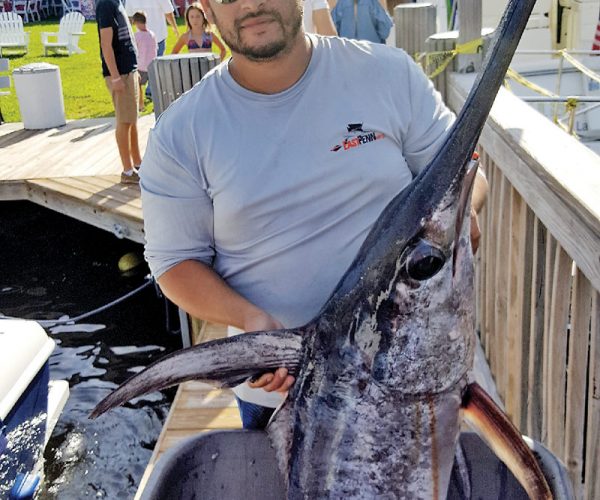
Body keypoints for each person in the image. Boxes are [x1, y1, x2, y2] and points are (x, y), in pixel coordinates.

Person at [139, 0, 488, 428]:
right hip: (285, 393)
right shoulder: (180, 132)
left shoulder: (388, 73)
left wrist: (462, 214)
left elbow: (465, 175)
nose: (249, 4)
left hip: (411, 370)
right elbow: (174, 263)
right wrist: (250, 320)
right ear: (207, 8)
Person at [95, 0, 141, 184]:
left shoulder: (117, 2)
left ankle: (138, 163)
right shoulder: (106, 4)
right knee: (124, 120)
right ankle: (127, 171)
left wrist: (134, 69)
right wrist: (115, 77)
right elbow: (106, 44)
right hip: (120, 72)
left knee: (132, 119)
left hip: (129, 70)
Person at [132, 11, 158, 112]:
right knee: (154, 88)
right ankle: (156, 106)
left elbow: (134, 49)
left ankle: (141, 105)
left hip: (141, 66)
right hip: (151, 65)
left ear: (137, 23)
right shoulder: (152, 34)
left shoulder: (137, 36)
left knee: (138, 87)